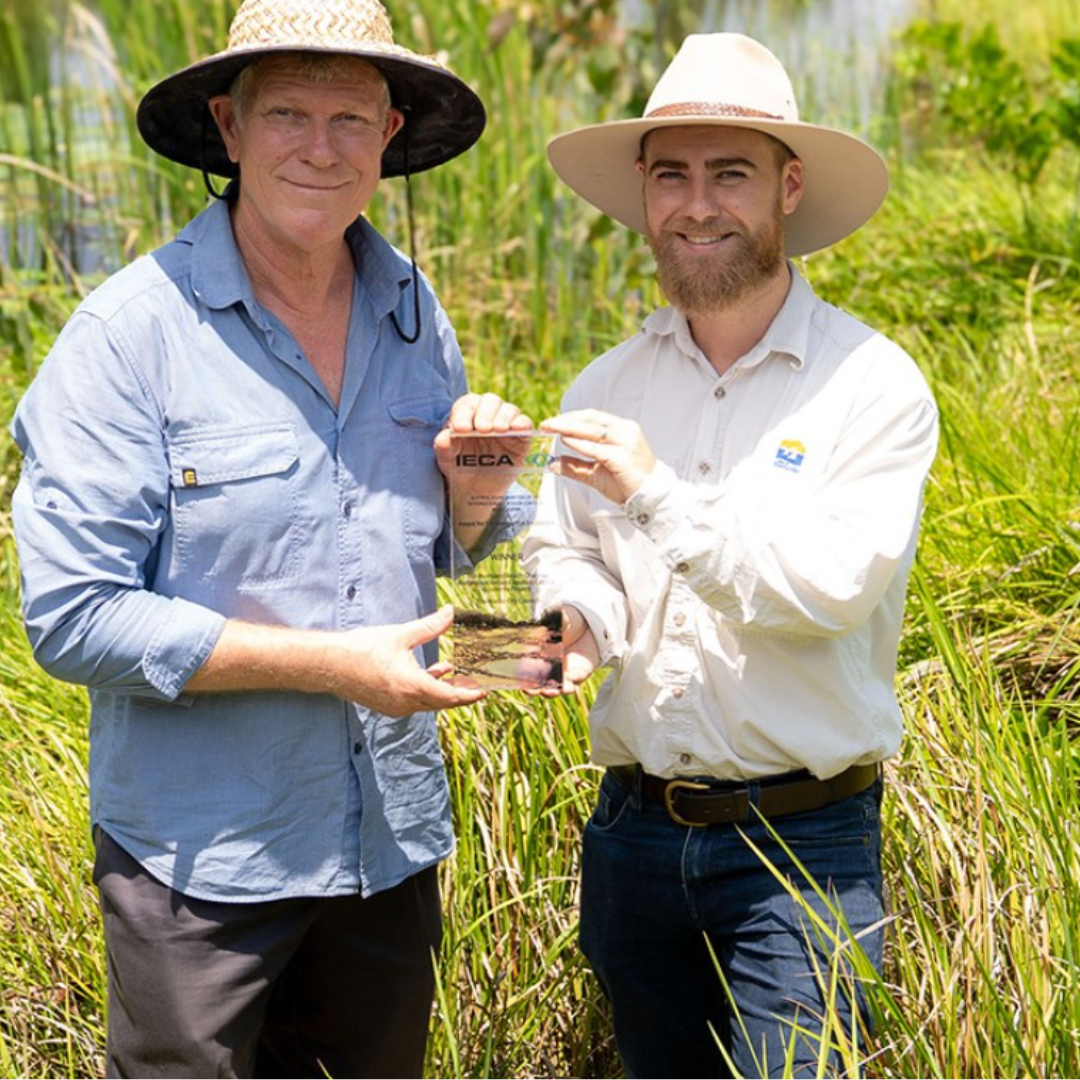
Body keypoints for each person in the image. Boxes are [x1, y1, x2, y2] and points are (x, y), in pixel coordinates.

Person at [9, 0, 528, 1076]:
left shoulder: (414, 312)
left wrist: (484, 491)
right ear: (228, 127)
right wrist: (332, 667)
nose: (319, 146)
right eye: (287, 111)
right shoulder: (126, 336)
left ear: (389, 136)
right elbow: (70, 615)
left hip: (387, 851)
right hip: (199, 876)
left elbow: (459, 559)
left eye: (350, 117)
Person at [522, 32, 939, 1079]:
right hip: (631, 839)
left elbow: (827, 590)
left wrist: (657, 494)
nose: (696, 205)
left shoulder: (873, 387)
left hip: (802, 849)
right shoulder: (601, 387)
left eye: (730, 174)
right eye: (672, 174)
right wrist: (575, 624)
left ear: (788, 188)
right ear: (644, 192)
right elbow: (568, 552)